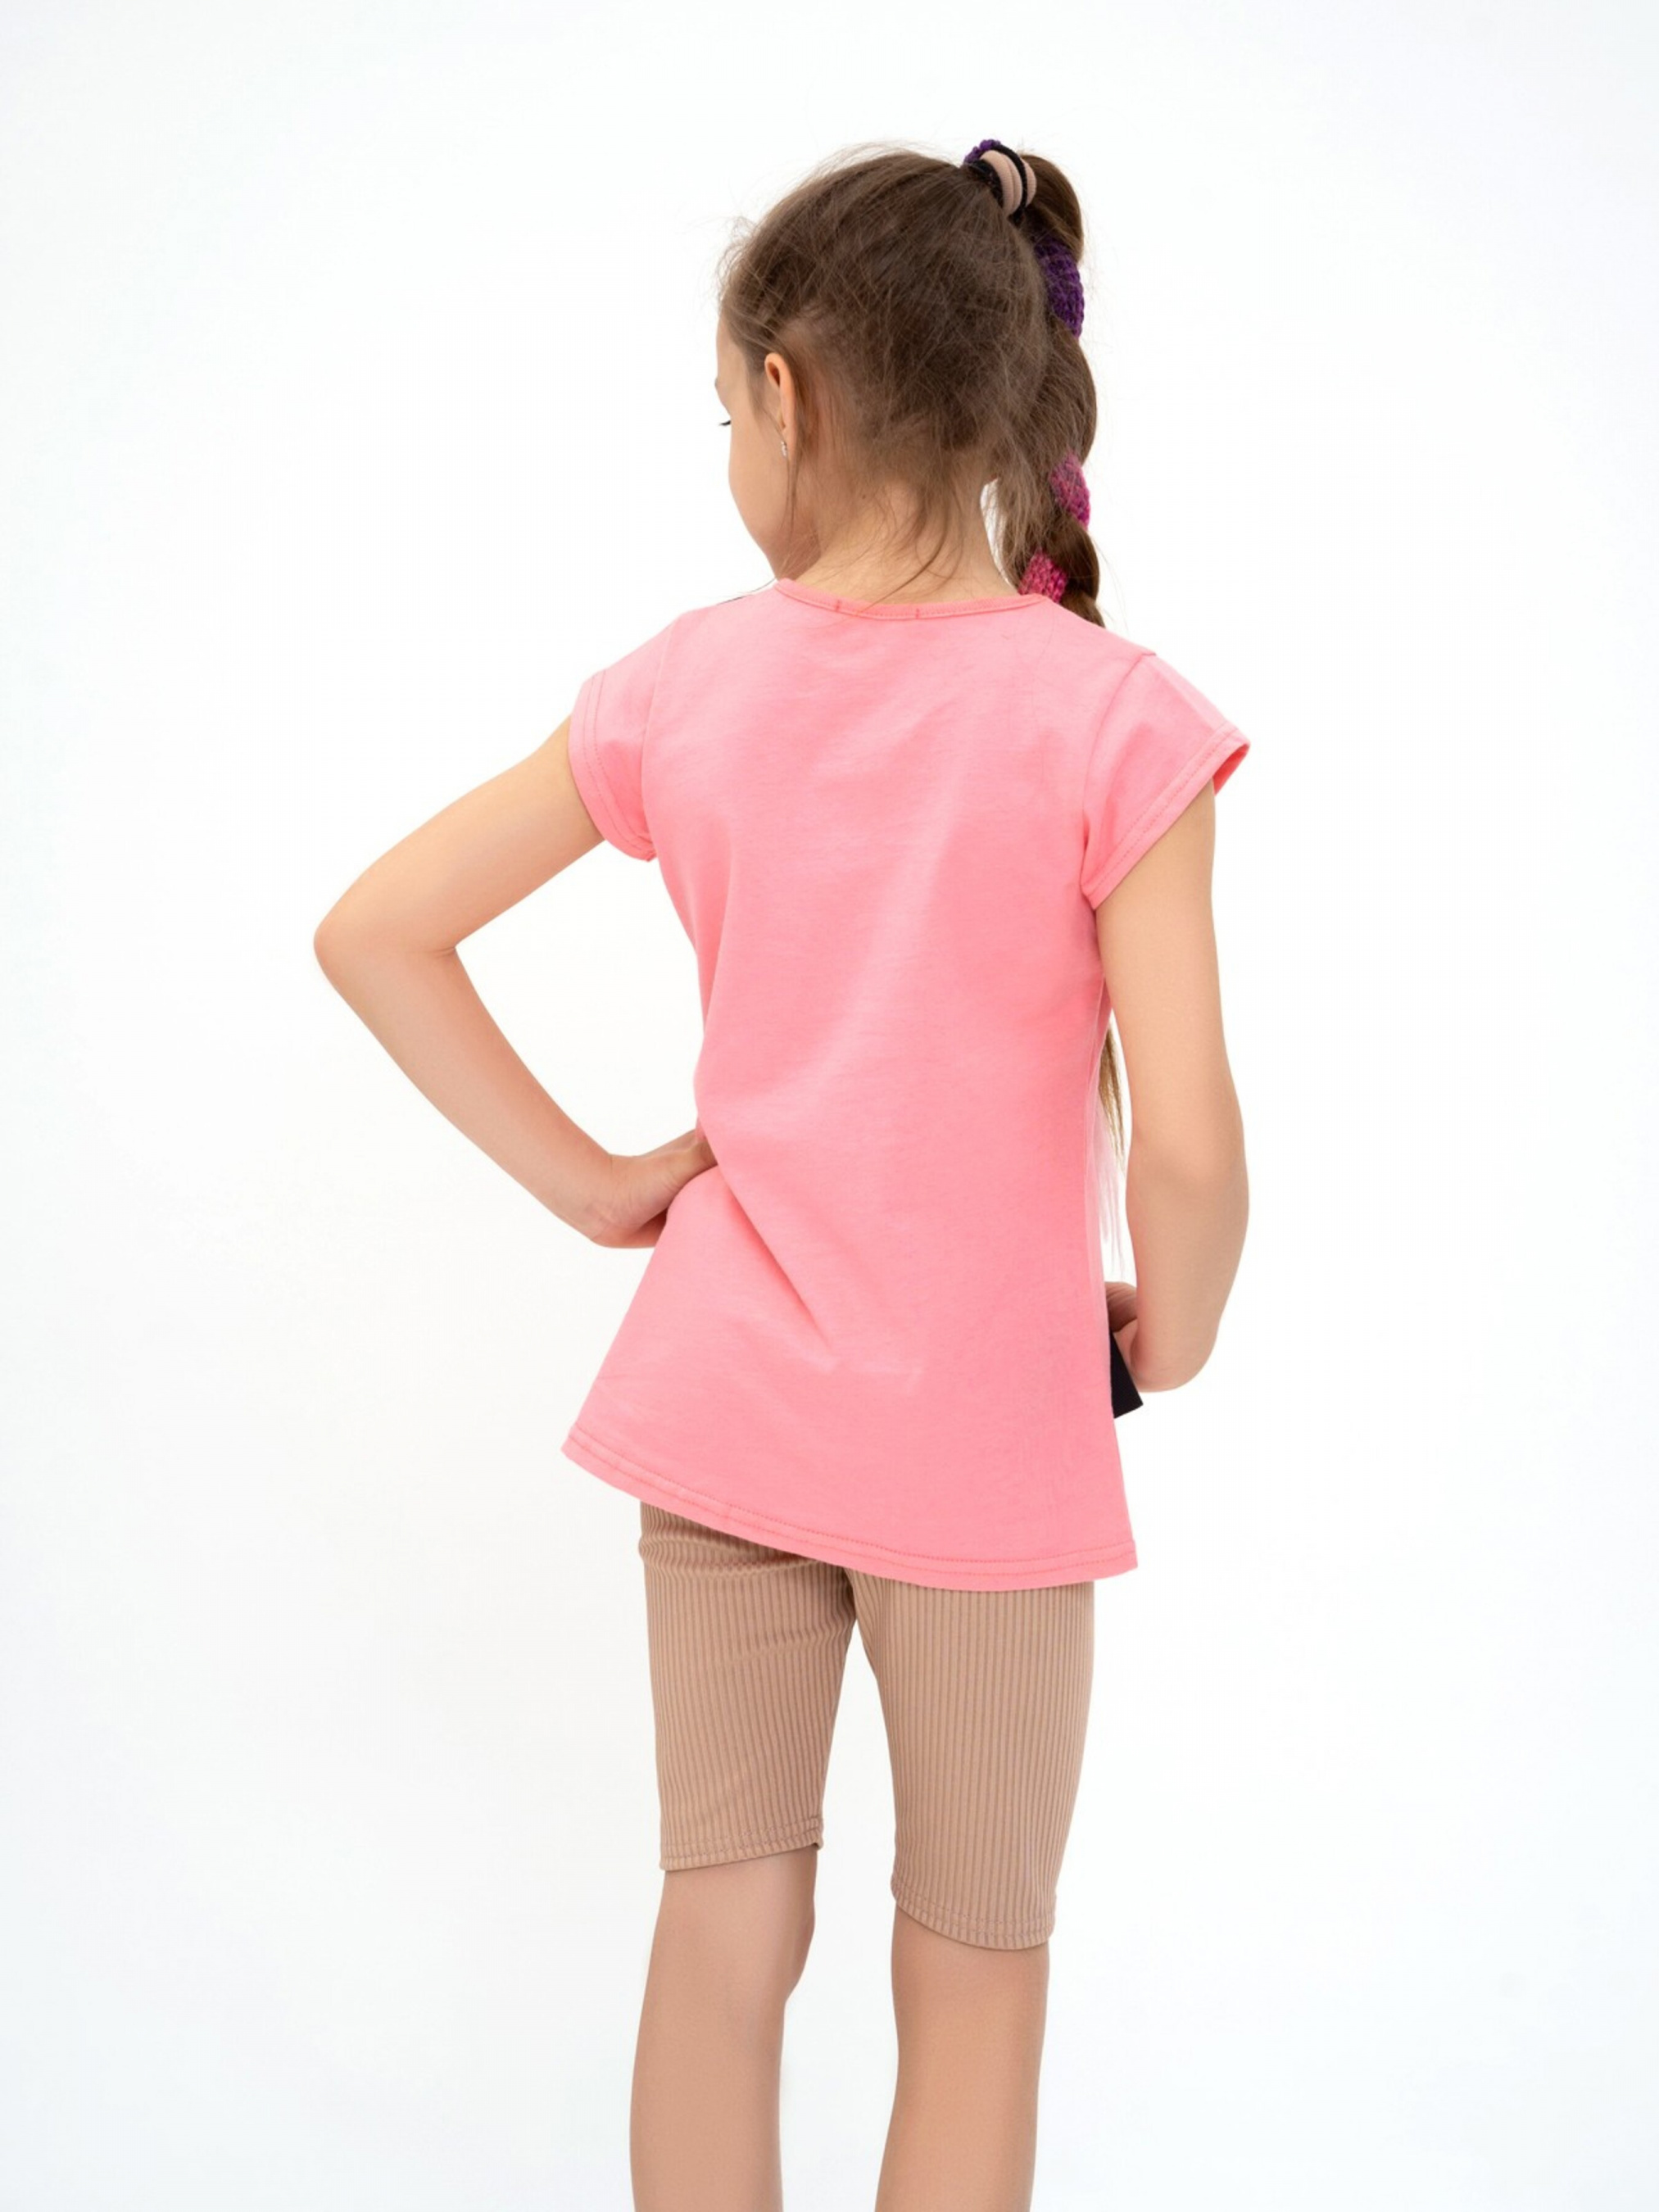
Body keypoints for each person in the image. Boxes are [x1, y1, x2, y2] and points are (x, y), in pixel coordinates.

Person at [315, 136, 1250, 2212]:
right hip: (989, 1449)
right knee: (974, 1971)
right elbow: (1186, 1139)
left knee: (721, 1926)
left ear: (781, 390)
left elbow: (377, 930)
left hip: (723, 1403)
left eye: (720, 409)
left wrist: (593, 1187)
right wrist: (1167, 1339)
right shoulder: (1116, 720)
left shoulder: (689, 682)